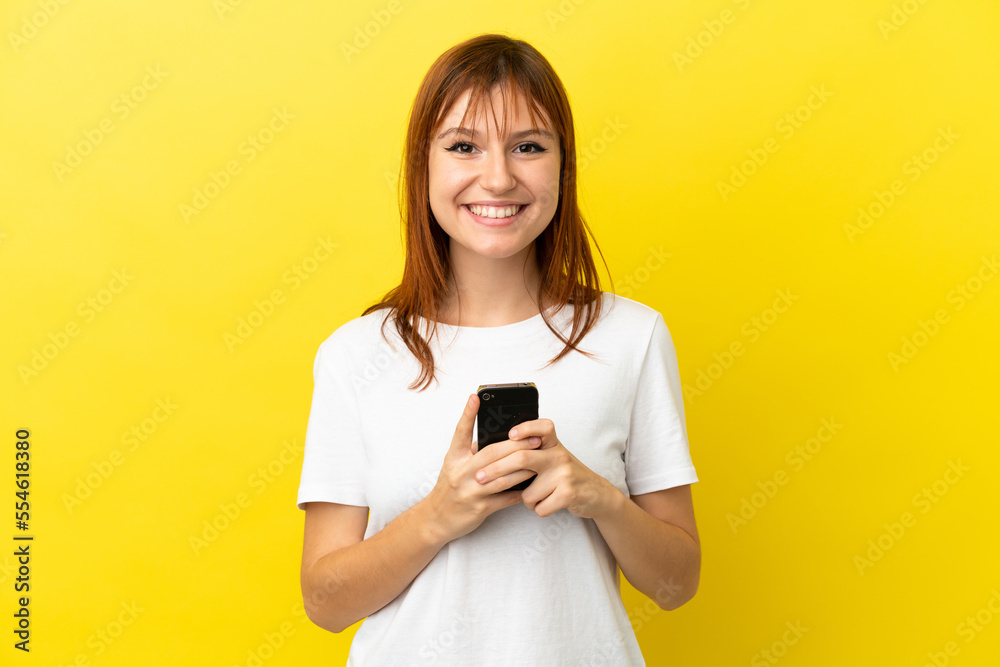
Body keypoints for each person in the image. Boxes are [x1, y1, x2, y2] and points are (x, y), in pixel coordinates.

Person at [297, 32, 700, 666]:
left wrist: (597, 496)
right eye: (463, 146)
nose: (498, 177)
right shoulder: (356, 354)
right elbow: (325, 602)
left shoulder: (632, 336)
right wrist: (439, 514)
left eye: (528, 147)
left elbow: (677, 584)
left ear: (562, 168)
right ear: (422, 166)